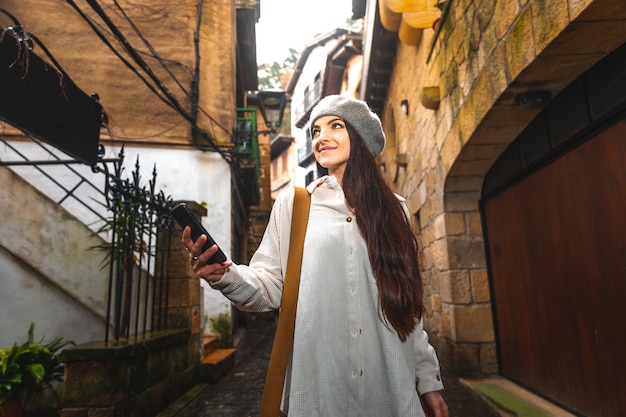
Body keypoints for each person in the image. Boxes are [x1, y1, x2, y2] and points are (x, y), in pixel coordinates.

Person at [183, 95, 449, 417]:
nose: (321, 137)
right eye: (315, 131)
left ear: (360, 136)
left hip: (390, 390)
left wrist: (428, 381)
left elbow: (410, 310)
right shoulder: (294, 205)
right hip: (320, 392)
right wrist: (225, 275)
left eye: (335, 126)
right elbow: (268, 288)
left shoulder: (397, 210)